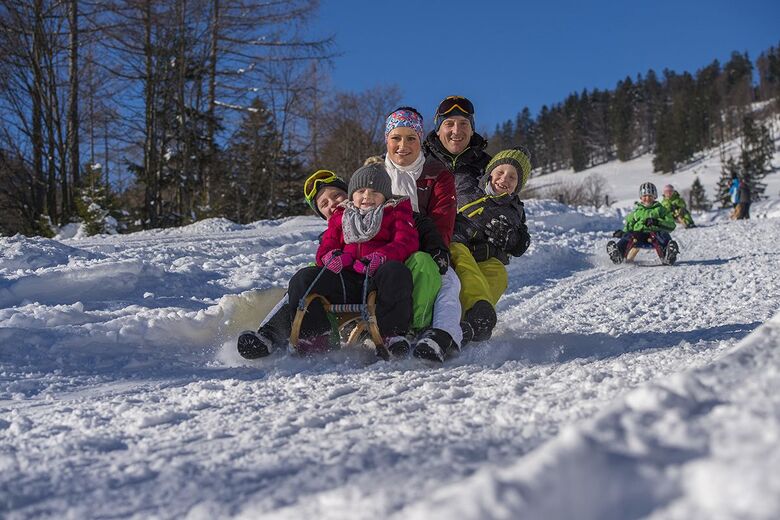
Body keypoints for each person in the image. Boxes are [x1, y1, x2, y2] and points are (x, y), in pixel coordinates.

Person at [286, 163, 418, 356]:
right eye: (361, 191)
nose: (367, 196)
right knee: (303, 278)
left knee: (396, 272)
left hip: (377, 280)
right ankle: (314, 336)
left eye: (375, 191)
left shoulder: (395, 212)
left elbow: (406, 242)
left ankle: (392, 335)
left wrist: (382, 257)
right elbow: (327, 245)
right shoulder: (340, 217)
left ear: (385, 195)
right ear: (352, 196)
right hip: (345, 280)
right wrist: (331, 256)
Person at [380, 106, 463, 362]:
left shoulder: (436, 174)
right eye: (396, 138)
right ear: (387, 140)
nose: (402, 145)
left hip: (425, 243)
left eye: (411, 138)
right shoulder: (374, 174)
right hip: (382, 245)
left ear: (420, 140)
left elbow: (442, 220)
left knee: (447, 280)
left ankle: (442, 334)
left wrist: (436, 249)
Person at [237, 170, 348, 359]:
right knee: (299, 285)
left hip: (366, 280)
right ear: (323, 216)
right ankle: (270, 337)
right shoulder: (329, 236)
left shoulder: (372, 217)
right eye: (324, 204)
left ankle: (308, 337)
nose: (333, 203)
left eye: (337, 195)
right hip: (338, 286)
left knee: (305, 280)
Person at [450, 147, 532, 341]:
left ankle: (476, 319)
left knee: (498, 274)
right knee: (464, 265)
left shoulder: (515, 210)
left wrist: (511, 238)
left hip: (485, 256)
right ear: (489, 172)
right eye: (500, 172)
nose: (504, 179)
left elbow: (521, 242)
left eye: (513, 178)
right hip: (457, 244)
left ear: (518, 186)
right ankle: (474, 311)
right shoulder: (467, 185)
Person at [607, 182, 679, 265]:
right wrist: (623, 233)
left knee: (663, 234)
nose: (647, 198)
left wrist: (657, 222)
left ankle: (668, 255)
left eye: (650, 196)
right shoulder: (637, 212)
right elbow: (629, 223)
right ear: (641, 197)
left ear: (654, 196)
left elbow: (671, 224)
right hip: (639, 236)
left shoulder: (661, 210)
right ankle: (618, 253)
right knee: (630, 235)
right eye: (644, 196)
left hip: (655, 235)